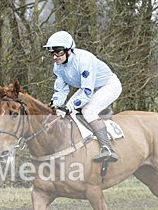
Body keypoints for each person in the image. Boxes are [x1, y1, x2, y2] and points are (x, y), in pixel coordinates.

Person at [45, 30, 122, 162]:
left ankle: (107, 149)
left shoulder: (84, 60)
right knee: (67, 112)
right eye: (52, 53)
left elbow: (87, 93)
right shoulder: (57, 67)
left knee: (88, 111)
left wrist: (68, 107)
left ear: (69, 50)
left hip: (108, 85)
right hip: (89, 88)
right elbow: (61, 91)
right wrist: (56, 104)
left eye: (59, 52)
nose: (55, 57)